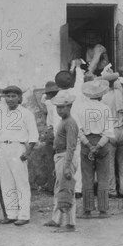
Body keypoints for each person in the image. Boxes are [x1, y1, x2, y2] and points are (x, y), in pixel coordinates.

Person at [0, 85, 39, 226]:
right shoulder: (2, 114)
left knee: (21, 182)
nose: (10, 99)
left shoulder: (26, 113)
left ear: (19, 98)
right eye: (8, 96)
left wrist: (28, 151)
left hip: (18, 148)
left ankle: (24, 215)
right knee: (6, 183)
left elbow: (33, 134)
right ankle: (11, 214)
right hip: (3, 149)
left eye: (13, 96)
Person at [73, 79, 115, 219]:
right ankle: (103, 210)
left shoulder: (80, 108)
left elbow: (78, 130)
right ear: (101, 95)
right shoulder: (105, 108)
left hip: (86, 143)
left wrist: (89, 145)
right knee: (103, 178)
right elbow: (109, 132)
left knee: (87, 177)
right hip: (102, 143)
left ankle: (87, 210)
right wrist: (98, 146)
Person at [44, 90, 79, 232]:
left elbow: (71, 146)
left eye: (61, 107)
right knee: (60, 189)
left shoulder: (70, 122)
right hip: (61, 157)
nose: (59, 110)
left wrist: (66, 166)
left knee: (67, 190)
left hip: (66, 157)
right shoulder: (64, 121)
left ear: (69, 107)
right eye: (57, 107)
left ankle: (70, 224)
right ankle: (57, 219)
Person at [99, 70, 123, 198]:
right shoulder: (120, 94)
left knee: (109, 163)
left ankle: (112, 191)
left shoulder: (104, 98)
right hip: (122, 129)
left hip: (110, 130)